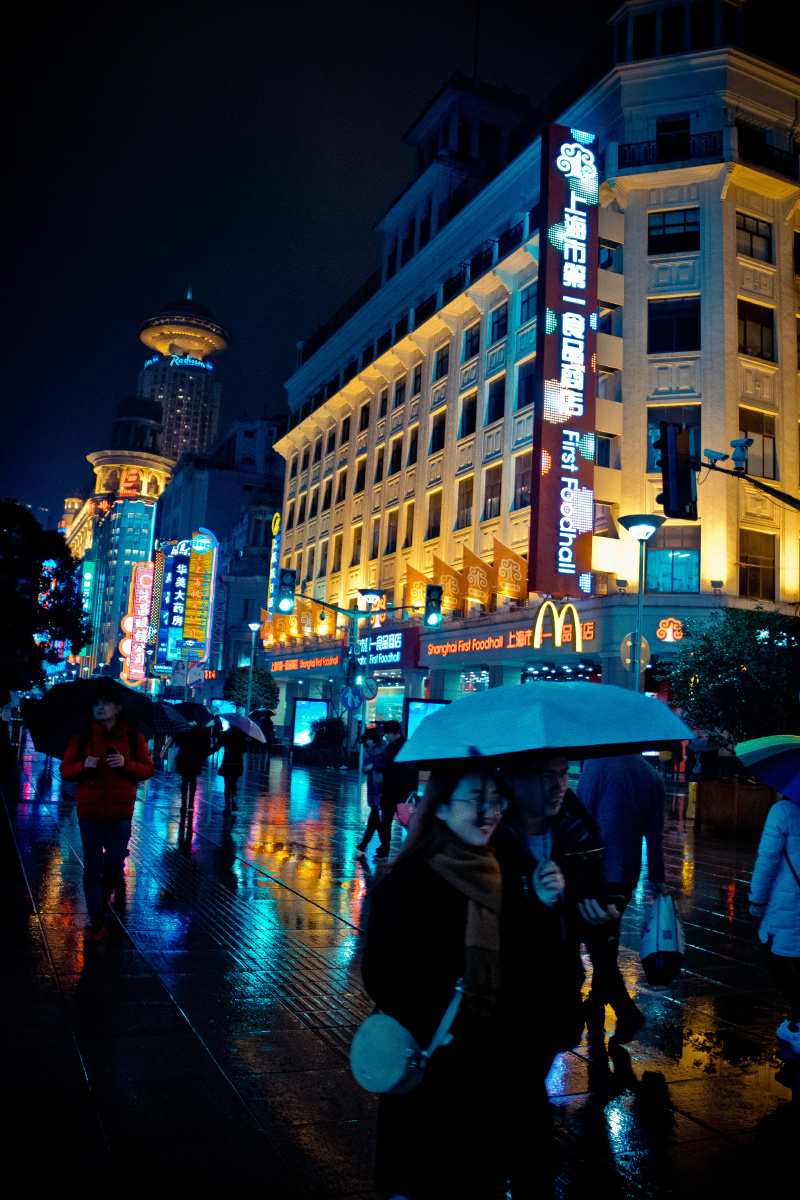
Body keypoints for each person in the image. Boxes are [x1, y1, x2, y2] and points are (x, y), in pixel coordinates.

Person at [362, 763, 559, 1199]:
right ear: (442, 808)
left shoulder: (504, 871)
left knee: (479, 1180)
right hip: (435, 1068)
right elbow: (381, 976)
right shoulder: (407, 881)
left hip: (490, 1073)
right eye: (477, 800)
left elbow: (522, 964)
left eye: (496, 800)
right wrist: (448, 1001)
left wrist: (542, 907)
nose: (490, 812)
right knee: (428, 1180)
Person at [494, 753, 617, 1092]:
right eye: (545, 776)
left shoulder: (578, 831)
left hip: (559, 988)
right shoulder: (490, 839)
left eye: (563, 774)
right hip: (508, 998)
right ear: (512, 779)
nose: (559, 786)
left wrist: (603, 913)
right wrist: (534, 899)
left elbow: (595, 889)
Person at [575, 753, 666, 1044]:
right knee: (607, 937)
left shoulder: (598, 764)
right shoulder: (653, 776)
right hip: (626, 873)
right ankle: (596, 998)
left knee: (597, 944)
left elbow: (579, 816)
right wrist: (657, 879)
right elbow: (655, 836)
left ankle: (626, 1010)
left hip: (594, 871)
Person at [60, 690, 154, 940]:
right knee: (92, 867)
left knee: (113, 865)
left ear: (118, 708)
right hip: (89, 814)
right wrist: (83, 766)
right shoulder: (82, 737)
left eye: (105, 703)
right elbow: (66, 771)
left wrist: (125, 764)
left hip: (120, 814)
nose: (100, 708)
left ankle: (100, 900)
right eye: (96, 703)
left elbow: (147, 769)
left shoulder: (134, 737)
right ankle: (97, 918)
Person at [749, 795, 800, 1056]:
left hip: (788, 902)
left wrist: (756, 898)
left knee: (775, 957)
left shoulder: (783, 811)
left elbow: (766, 860)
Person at [375, 719, 416, 859]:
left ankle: (413, 845)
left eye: (388, 733)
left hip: (402, 789)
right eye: (385, 733)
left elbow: (412, 769)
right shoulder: (389, 747)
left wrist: (412, 789)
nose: (386, 736)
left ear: (396, 732)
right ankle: (384, 846)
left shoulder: (407, 746)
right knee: (385, 820)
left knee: (405, 819)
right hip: (388, 790)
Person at [162, 721, 213, 808]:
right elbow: (205, 746)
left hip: (184, 757)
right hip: (195, 758)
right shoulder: (201, 732)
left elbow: (177, 738)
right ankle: (191, 799)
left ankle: (184, 797)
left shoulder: (184, 730)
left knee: (185, 779)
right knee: (193, 779)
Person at [356, 727, 385, 853]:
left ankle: (365, 843)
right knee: (375, 816)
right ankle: (383, 843)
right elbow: (363, 767)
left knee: (374, 815)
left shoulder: (384, 749)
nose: (367, 742)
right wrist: (366, 768)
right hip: (372, 783)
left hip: (381, 783)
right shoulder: (367, 751)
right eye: (366, 740)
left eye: (369, 739)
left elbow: (387, 766)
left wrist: (374, 766)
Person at [213, 724, 249, 812]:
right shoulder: (242, 735)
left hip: (227, 761)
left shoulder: (225, 734)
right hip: (237, 762)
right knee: (234, 784)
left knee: (227, 784)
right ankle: (233, 801)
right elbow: (244, 750)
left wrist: (206, 753)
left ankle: (227, 806)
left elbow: (218, 745)